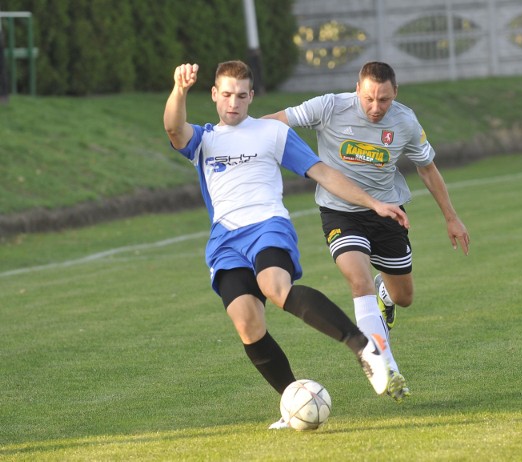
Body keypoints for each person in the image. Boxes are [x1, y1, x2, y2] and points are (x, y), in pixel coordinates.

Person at [163, 60, 412, 429]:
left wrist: (373, 203)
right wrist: (179, 89)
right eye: (227, 94)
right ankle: (294, 401)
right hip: (225, 241)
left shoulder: (270, 133)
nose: (234, 103)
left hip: (268, 226)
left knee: (274, 287)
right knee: (247, 322)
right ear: (215, 95)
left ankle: (364, 347)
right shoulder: (203, 138)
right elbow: (172, 127)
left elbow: (323, 172)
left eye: (241, 95)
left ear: (251, 97)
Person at [263, 61, 470, 402]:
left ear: (395, 94)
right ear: (357, 89)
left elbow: (428, 169)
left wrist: (451, 216)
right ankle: (384, 366)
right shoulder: (329, 106)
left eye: (384, 100)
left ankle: (384, 294)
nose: (376, 108)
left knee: (404, 297)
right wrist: (231, 129)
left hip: (388, 213)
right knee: (357, 279)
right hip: (340, 213)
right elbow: (276, 122)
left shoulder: (405, 121)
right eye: (370, 98)